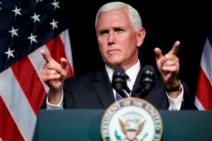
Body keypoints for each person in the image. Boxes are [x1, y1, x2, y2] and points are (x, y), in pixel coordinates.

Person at [41, 1, 197, 110]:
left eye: (119, 30)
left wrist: (172, 87)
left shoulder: (168, 88)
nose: (110, 40)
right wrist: (55, 93)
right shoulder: (72, 90)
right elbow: (53, 132)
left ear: (140, 36)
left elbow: (190, 131)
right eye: (103, 33)